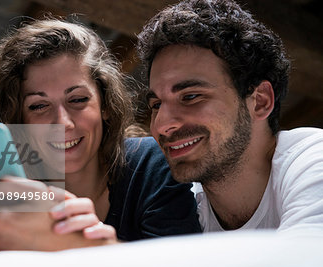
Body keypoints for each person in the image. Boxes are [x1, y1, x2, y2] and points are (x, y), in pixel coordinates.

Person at [0, 18, 201, 254]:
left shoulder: (150, 163)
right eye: (38, 106)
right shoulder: (9, 199)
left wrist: (87, 248)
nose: (62, 122)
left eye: (78, 100)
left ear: (105, 105)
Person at [136, 0, 323, 233]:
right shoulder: (179, 203)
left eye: (191, 96)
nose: (162, 124)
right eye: (156, 104)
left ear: (260, 101)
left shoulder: (312, 160)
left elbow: (301, 265)